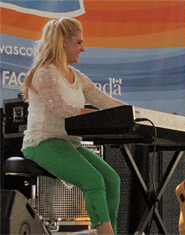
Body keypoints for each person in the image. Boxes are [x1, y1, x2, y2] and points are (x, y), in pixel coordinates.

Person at [21, 17, 126, 235]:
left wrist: (135, 114)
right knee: (93, 180)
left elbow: (105, 101)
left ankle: (110, 231)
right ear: (62, 42)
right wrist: (101, 115)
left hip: (69, 143)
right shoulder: (45, 72)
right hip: (42, 142)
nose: (83, 48)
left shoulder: (77, 77)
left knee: (112, 180)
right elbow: (63, 110)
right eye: (78, 42)